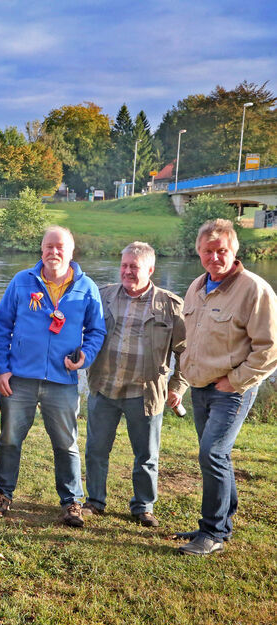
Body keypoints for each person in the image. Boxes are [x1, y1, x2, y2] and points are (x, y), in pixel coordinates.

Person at [0, 226, 105, 527]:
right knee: (11, 439)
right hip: (20, 379)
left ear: (71, 251)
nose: (54, 252)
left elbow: (96, 331)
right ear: (41, 250)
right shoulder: (21, 282)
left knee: (66, 443)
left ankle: (71, 502)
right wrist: (0, 368)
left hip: (62, 380)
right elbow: (1, 326)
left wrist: (85, 357)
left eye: (60, 247)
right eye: (48, 246)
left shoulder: (86, 287)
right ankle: (2, 495)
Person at [175, 219, 277, 556]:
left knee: (212, 453)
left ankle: (212, 532)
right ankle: (222, 525)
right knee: (217, 455)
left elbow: (270, 348)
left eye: (222, 251)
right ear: (199, 252)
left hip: (232, 390)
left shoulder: (254, 289)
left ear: (234, 251)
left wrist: (233, 381)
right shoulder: (195, 287)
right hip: (201, 387)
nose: (215, 257)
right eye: (208, 251)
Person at [84, 242, 187, 527]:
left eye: (134, 267)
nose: (127, 272)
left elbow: (186, 351)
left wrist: (177, 387)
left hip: (144, 394)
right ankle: (94, 500)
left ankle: (143, 506)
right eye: (124, 265)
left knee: (146, 456)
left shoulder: (171, 306)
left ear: (151, 270)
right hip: (103, 387)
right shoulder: (102, 296)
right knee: (95, 449)